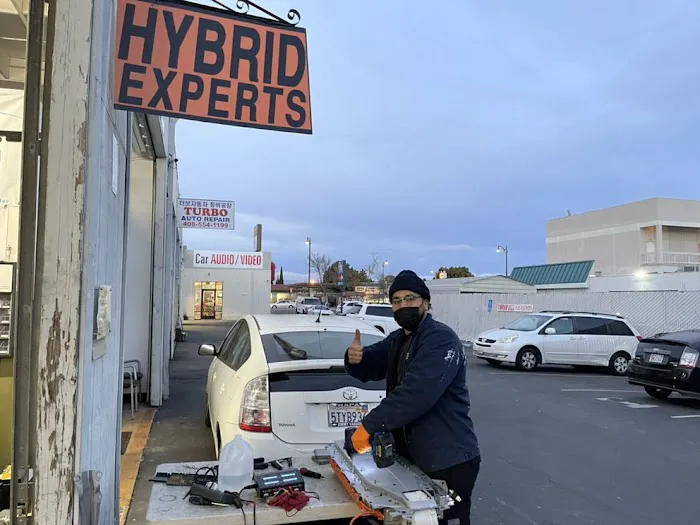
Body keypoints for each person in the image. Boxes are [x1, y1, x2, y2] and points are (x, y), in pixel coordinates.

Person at [344, 269, 481, 525]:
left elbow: (417, 393)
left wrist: (370, 425)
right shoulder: (399, 339)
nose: (402, 306)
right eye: (396, 301)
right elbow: (372, 362)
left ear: (426, 303)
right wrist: (354, 359)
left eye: (410, 299)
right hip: (414, 457)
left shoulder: (440, 339)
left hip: (448, 459)